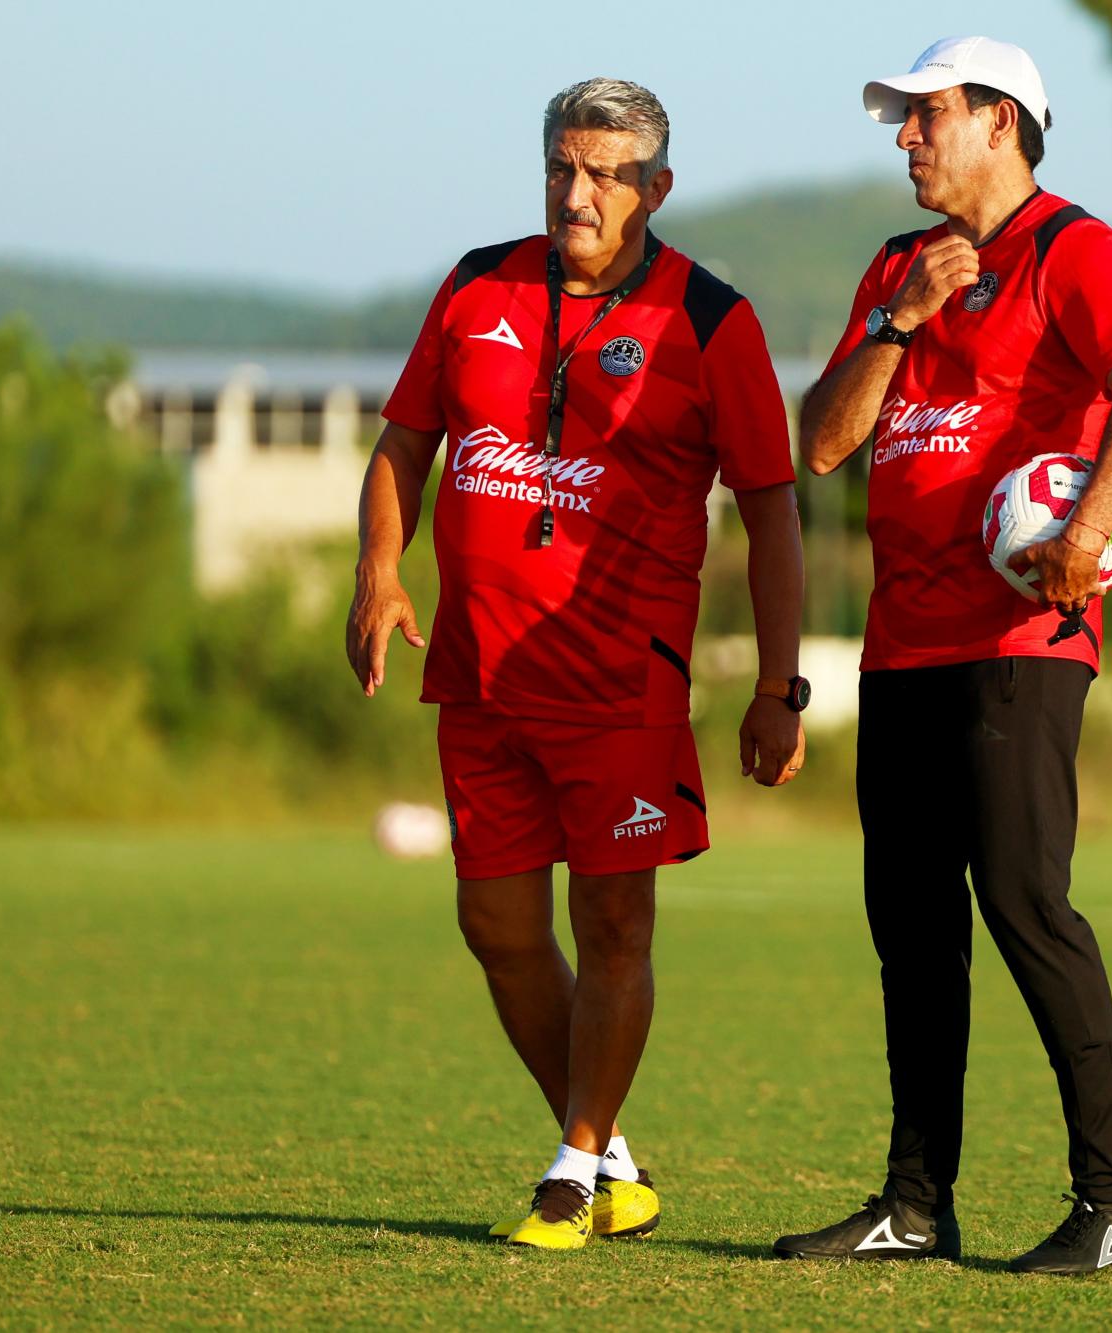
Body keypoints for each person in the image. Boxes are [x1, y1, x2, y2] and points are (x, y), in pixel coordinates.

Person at [345, 77, 810, 1252]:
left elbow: (772, 512)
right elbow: (407, 439)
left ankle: (572, 1166)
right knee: (497, 926)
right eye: (561, 167)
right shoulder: (474, 285)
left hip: (623, 685)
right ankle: (612, 1154)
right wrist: (379, 572)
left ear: (655, 189)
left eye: (604, 174)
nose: (576, 193)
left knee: (613, 933)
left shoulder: (713, 321)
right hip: (479, 675)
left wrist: (774, 685)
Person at [771, 37, 1112, 1275]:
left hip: (1020, 637)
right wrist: (902, 323)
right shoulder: (897, 266)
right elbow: (825, 444)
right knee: (909, 924)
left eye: (926, 114)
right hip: (901, 647)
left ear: (1001, 122)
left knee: (1021, 901)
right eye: (901, 118)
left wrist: (1089, 527)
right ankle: (912, 1203)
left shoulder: (1074, 249)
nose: (904, 136)